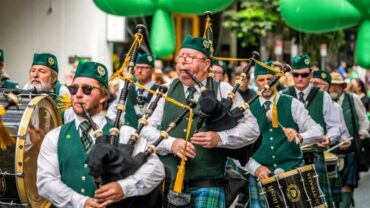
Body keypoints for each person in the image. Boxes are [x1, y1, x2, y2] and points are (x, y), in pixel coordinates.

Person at [141, 35, 260, 207]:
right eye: (180, 57)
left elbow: (252, 129)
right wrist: (171, 144)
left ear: (206, 64)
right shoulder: (166, 91)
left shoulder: (224, 90)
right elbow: (145, 128)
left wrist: (220, 138)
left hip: (209, 183)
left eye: (189, 57)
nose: (183, 62)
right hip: (170, 182)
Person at [37, 61, 164, 208]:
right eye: (73, 89)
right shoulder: (55, 136)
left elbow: (156, 168)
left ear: (103, 96)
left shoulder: (125, 134)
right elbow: (45, 182)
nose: (78, 94)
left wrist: (124, 188)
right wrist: (80, 202)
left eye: (87, 89)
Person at [245, 61, 324, 208]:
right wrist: (255, 168)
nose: (266, 84)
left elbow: (318, 131)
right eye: (261, 80)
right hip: (261, 175)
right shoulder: (246, 108)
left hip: (291, 171)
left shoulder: (292, 104)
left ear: (276, 79)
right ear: (255, 82)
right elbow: (237, 148)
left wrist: (300, 136)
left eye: (270, 79)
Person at [281, 55, 342, 208]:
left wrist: (329, 137)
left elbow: (335, 126)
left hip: (314, 156)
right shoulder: (282, 96)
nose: (300, 78)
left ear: (311, 74)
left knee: (319, 203)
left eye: (304, 74)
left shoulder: (323, 96)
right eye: (296, 74)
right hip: (288, 159)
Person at [329, 72, 370, 208]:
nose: (333, 88)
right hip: (330, 152)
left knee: (347, 185)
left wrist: (362, 133)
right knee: (331, 186)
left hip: (350, 151)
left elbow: (364, 120)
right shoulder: (325, 101)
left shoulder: (353, 99)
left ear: (342, 86)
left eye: (337, 85)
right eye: (331, 85)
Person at [311, 70, 351, 207]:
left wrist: (344, 140)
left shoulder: (335, 107)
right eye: (313, 83)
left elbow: (343, 133)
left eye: (319, 84)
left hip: (327, 156)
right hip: (305, 156)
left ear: (326, 87)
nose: (315, 87)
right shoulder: (300, 101)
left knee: (325, 199)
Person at [107, 53, 159, 128]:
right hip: (127, 136)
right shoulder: (127, 90)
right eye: (137, 67)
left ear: (153, 70)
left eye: (145, 68)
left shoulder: (159, 91)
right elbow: (112, 111)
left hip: (150, 137)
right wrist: (119, 124)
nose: (140, 71)